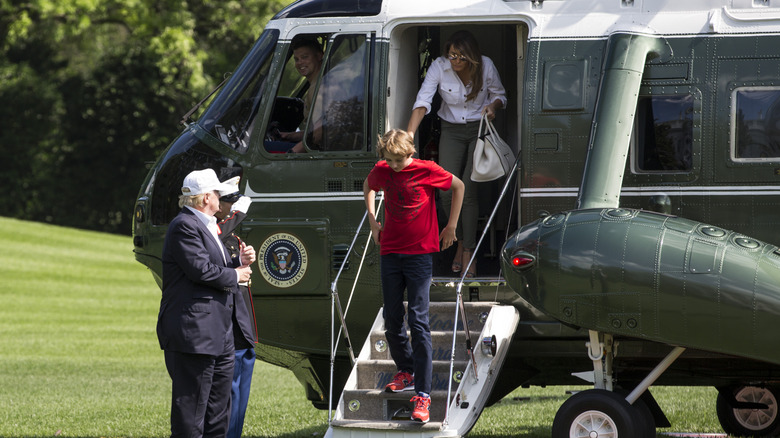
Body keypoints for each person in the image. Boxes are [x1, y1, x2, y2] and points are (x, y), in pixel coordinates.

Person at [363, 129, 465, 423]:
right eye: (389, 160)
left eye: (397, 160)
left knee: (418, 320)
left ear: (410, 154)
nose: (393, 166)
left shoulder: (427, 170)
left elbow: (458, 187)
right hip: (390, 252)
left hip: (420, 255)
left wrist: (451, 227)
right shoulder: (384, 169)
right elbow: (369, 185)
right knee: (392, 317)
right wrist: (372, 220)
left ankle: (423, 394)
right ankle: (405, 369)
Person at [157, 168, 256, 438]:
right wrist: (235, 275)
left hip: (218, 333)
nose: (221, 198)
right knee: (191, 411)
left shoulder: (206, 224)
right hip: (195, 333)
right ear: (204, 199)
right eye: (216, 193)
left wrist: (239, 263)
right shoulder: (185, 225)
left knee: (218, 411)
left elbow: (214, 266)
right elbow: (200, 270)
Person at [406, 30, 507, 278]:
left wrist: (492, 107)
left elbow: (500, 96)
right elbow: (423, 100)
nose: (455, 61)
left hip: (478, 129)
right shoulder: (439, 67)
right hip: (450, 129)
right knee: (447, 189)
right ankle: (461, 241)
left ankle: (467, 252)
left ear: (471, 57)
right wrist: (408, 134)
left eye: (460, 57)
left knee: (468, 190)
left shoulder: (486, 66)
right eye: (452, 56)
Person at [214, 179, 258, 438]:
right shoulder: (212, 230)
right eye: (228, 202)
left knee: (240, 395)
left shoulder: (232, 236)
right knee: (229, 392)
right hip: (227, 326)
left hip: (242, 324)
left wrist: (241, 262)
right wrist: (240, 212)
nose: (232, 208)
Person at [278, 37, 324, 153]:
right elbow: (313, 132)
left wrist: (292, 153)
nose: (299, 63)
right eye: (297, 59)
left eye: (305, 57)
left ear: (319, 56)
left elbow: (320, 132)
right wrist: (289, 136)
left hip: (319, 153)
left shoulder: (319, 88)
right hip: (317, 148)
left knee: (265, 147)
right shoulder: (316, 83)